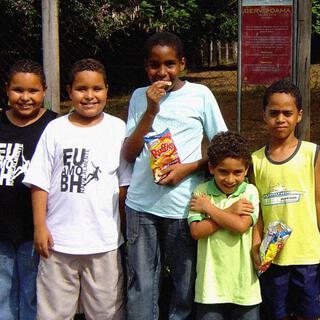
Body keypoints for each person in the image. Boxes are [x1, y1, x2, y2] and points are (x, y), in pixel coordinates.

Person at [122, 31, 227, 320]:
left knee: (184, 282)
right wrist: (150, 110)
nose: (162, 72)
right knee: (141, 281)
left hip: (183, 206)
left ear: (182, 63)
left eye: (169, 64)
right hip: (141, 204)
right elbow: (129, 152)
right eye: (155, 65)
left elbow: (222, 150)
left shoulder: (200, 95)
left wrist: (188, 168)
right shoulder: (138, 97)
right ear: (146, 66)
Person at [23, 58, 131, 320]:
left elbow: (124, 186)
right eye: (82, 89)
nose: (89, 96)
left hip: (103, 243)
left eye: (97, 89)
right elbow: (39, 181)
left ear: (107, 89)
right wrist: (40, 227)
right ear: (69, 91)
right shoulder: (55, 129)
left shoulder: (117, 128)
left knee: (105, 312)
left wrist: (122, 232)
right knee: (54, 313)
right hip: (58, 243)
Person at [251, 79, 320, 320]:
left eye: (287, 113)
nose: (281, 119)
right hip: (273, 257)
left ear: (299, 115)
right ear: (264, 115)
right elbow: (256, 212)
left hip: (307, 254)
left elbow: (319, 202)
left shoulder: (312, 153)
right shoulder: (255, 161)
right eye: (274, 113)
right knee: (276, 313)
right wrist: (255, 245)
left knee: (308, 313)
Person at [0, 59, 57, 320]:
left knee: (33, 295)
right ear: (7, 89)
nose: (25, 97)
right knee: (3, 294)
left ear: (44, 90)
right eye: (18, 90)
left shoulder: (55, 127)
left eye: (33, 91)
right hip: (2, 227)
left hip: (36, 230)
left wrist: (41, 226)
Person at [188, 131, 261, 320]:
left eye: (237, 172)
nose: (230, 179)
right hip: (210, 288)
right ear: (211, 168)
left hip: (245, 287)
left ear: (246, 170)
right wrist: (230, 211)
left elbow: (240, 226)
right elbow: (197, 231)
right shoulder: (201, 192)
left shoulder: (250, 192)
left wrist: (210, 209)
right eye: (223, 171)